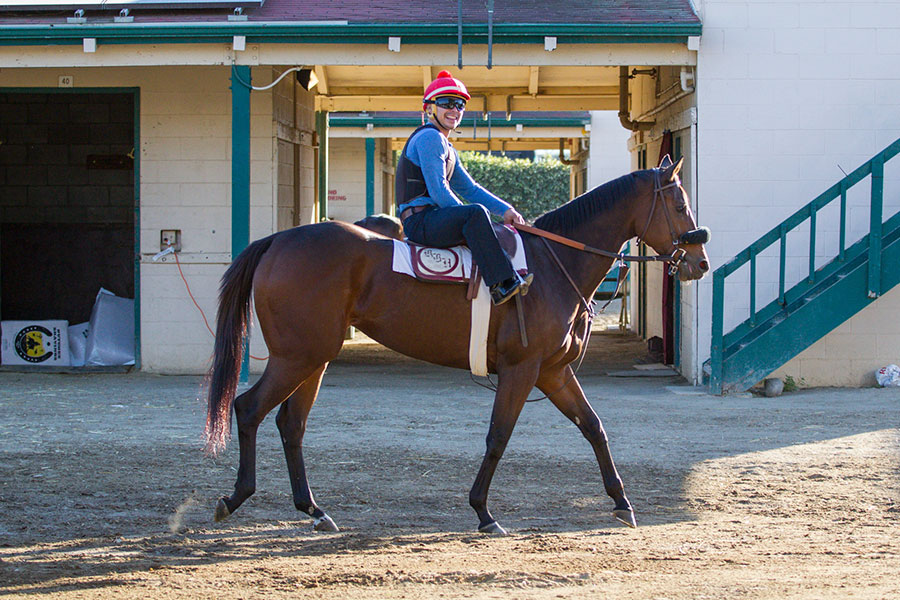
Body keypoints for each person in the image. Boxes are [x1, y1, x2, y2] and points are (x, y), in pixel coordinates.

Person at [396, 70, 533, 306]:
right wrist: (472, 217)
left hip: (431, 219)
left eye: (460, 104)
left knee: (476, 213)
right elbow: (439, 191)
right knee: (475, 213)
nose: (455, 110)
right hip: (420, 222)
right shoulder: (431, 138)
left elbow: (470, 188)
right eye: (446, 103)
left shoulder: (446, 146)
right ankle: (502, 284)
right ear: (430, 108)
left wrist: (506, 210)